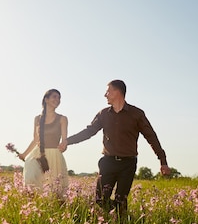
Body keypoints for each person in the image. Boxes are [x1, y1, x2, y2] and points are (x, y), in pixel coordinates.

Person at [65, 79, 171, 213]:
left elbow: (152, 137)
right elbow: (88, 132)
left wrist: (163, 161)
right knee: (100, 199)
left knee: (121, 201)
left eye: (108, 91)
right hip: (108, 162)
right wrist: (67, 141)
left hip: (128, 164)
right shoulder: (103, 114)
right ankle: (119, 216)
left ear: (117, 92)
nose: (105, 94)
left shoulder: (137, 114)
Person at [18, 89, 69, 196]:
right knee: (31, 178)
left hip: (54, 155)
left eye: (59, 98)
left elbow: (65, 140)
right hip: (38, 153)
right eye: (55, 97)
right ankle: (31, 204)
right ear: (46, 99)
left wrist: (64, 146)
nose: (58, 100)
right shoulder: (37, 119)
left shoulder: (62, 119)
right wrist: (24, 154)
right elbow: (36, 139)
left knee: (53, 190)